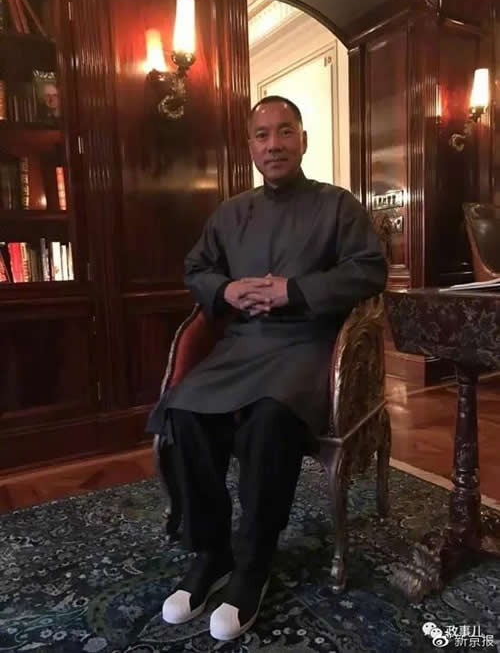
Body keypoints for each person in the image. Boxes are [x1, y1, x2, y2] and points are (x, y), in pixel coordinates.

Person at [147, 95, 387, 641]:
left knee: (269, 420)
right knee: (184, 412)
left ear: (303, 139)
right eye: (262, 135)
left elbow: (369, 271)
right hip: (242, 345)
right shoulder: (230, 213)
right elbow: (196, 268)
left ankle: (253, 564)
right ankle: (211, 552)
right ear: (250, 147)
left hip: (308, 343)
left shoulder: (338, 205)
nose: (273, 144)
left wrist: (293, 291)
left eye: (284, 132)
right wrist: (227, 289)